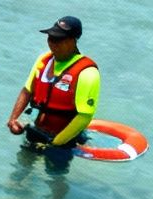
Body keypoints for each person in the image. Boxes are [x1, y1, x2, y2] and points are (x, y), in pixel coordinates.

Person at [6, 16, 100, 168]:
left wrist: (56, 142)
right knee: (21, 167)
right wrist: (13, 119)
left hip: (63, 141)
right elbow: (27, 90)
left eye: (58, 39)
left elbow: (84, 116)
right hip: (35, 132)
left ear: (73, 40)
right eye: (51, 38)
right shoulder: (43, 60)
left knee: (55, 178)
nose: (52, 43)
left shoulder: (87, 73)